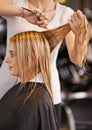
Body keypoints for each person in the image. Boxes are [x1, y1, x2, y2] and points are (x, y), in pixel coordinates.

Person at [0, 0, 90, 127]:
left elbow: (77, 60)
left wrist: (80, 35)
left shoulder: (65, 14)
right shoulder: (16, 3)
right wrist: (23, 13)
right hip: (8, 84)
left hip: (45, 90)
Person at [0, 30, 59, 130]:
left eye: (12, 54)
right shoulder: (22, 91)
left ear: (32, 58)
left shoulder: (37, 101)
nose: (7, 60)